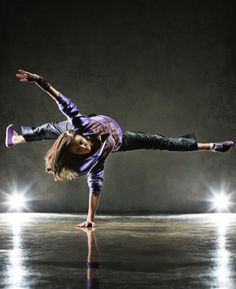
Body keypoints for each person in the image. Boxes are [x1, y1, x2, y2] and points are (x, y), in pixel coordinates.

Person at [5, 69, 234, 227]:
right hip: (119, 140)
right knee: (49, 130)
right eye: (79, 149)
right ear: (76, 155)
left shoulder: (80, 127)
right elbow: (95, 186)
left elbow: (64, 103)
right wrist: (90, 218)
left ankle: (211, 146)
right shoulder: (95, 159)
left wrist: (41, 82)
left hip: (81, 125)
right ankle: (15, 140)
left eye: (80, 142)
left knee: (163, 141)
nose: (84, 146)